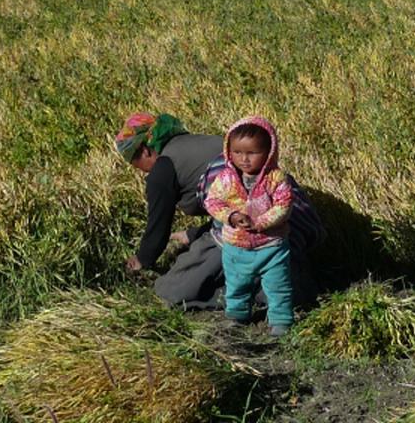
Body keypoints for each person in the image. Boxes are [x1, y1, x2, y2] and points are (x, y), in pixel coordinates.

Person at [116, 112, 226, 308]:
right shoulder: (193, 142)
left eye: (135, 163)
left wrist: (143, 259)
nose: (140, 171)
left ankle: (242, 296)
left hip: (246, 231)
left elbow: (159, 223)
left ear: (144, 150)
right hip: (279, 213)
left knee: (169, 290)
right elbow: (228, 208)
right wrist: (193, 234)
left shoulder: (163, 169)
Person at [204, 116, 294, 335]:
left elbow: (284, 205)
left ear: (269, 152)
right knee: (236, 284)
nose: (244, 159)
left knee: (278, 285)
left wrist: (261, 223)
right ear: (229, 152)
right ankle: (237, 315)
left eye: (252, 153)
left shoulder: (276, 178)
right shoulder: (226, 178)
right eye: (237, 152)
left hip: (271, 246)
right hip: (236, 245)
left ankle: (280, 320)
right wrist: (232, 216)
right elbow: (212, 201)